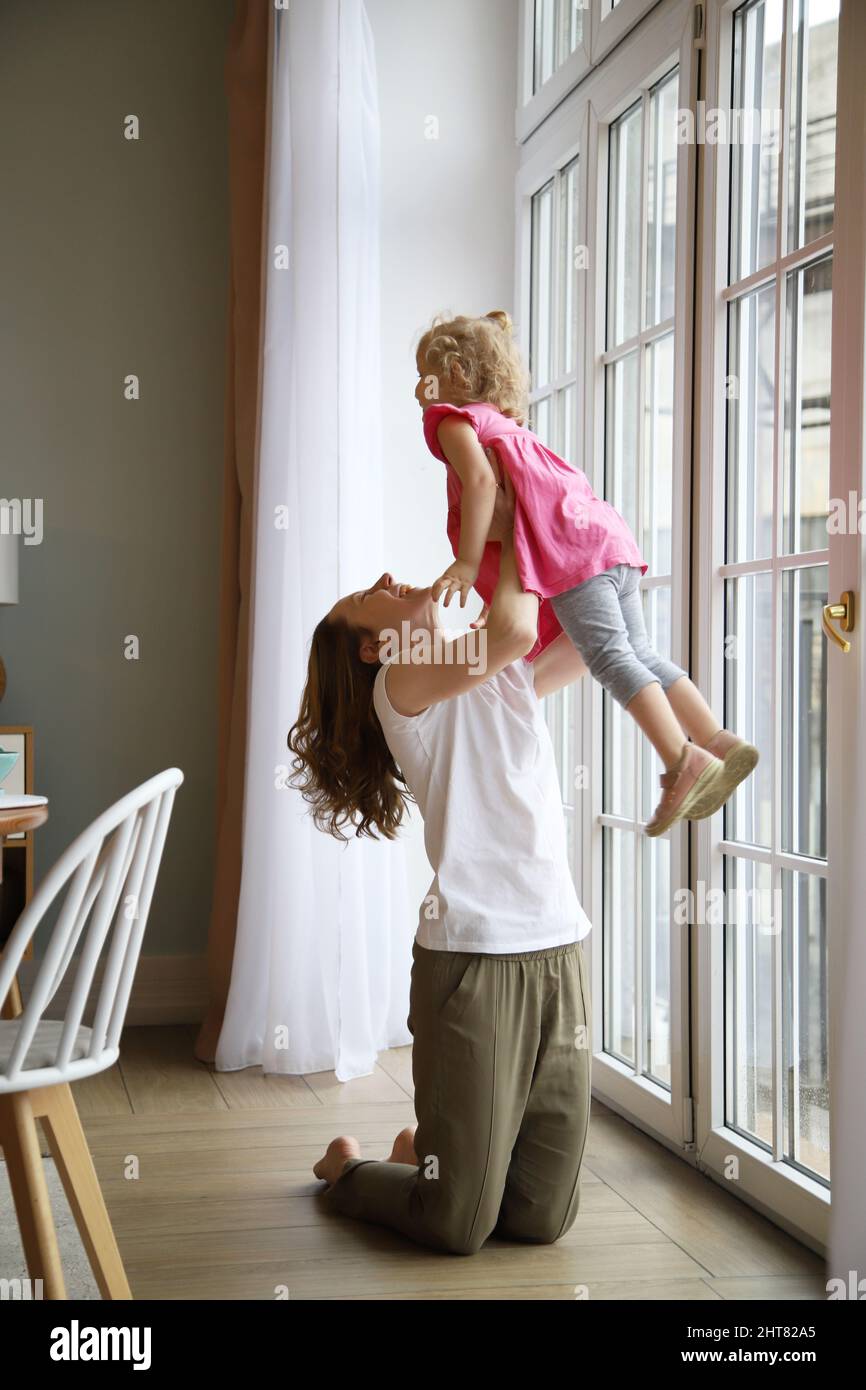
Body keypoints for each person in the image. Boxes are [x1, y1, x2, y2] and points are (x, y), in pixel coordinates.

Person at [287, 475, 593, 1255]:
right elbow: (518, 631)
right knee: (458, 1225)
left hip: (557, 943)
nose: (391, 579)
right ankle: (351, 1169)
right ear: (373, 645)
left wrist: (590, 549)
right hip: (471, 959)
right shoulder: (400, 687)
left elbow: (577, 648)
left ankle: (426, 1159)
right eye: (371, 593)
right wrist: (513, 513)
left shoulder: (484, 674)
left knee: (541, 1218)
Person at [414, 309, 759, 838]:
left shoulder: (452, 421)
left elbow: (481, 485)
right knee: (640, 652)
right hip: (608, 540)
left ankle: (680, 760)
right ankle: (714, 738)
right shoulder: (508, 426)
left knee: (610, 657)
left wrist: (464, 561)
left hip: (571, 555)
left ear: (457, 373)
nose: (419, 389)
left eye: (425, 375)